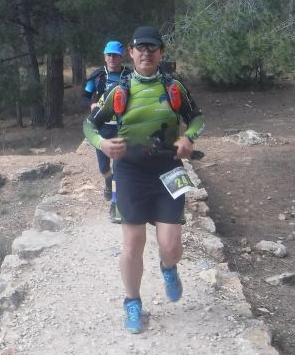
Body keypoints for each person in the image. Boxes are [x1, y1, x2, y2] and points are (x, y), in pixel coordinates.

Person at [83, 26, 205, 333]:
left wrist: (188, 137)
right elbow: (89, 125)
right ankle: (132, 302)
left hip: (169, 169)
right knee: (133, 243)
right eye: (141, 48)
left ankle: (168, 267)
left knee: (171, 245)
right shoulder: (120, 90)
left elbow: (197, 118)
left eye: (153, 48)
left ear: (161, 53)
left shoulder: (173, 86)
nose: (146, 53)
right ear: (131, 52)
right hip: (130, 172)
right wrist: (102, 144)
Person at [82, 41, 132, 219]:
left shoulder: (130, 75)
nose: (112, 58)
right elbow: (85, 96)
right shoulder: (97, 76)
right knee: (104, 168)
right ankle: (108, 182)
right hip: (102, 127)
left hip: (122, 127)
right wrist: (91, 105)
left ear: (121, 57)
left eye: (116, 55)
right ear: (104, 56)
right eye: (109, 55)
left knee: (119, 167)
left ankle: (115, 204)